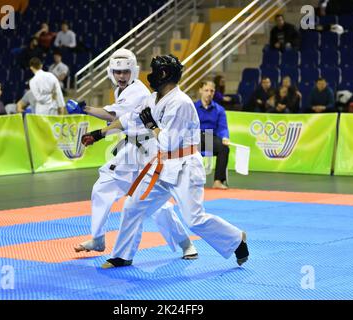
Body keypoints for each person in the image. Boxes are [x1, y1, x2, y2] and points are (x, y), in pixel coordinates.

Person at [81, 54, 249, 269]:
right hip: (161, 165)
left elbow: (169, 141)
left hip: (185, 166)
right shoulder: (153, 98)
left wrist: (151, 125)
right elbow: (130, 118)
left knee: (194, 219)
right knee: (133, 206)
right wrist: (99, 134)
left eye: (155, 71)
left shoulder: (181, 103)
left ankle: (237, 239)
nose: (150, 76)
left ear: (164, 74)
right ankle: (122, 255)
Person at [68, 49, 198, 259]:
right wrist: (99, 134)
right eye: (117, 72)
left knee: (155, 205)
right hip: (131, 149)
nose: (121, 76)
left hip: (147, 151)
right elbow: (125, 120)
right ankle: (99, 238)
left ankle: (185, 244)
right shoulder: (122, 91)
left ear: (134, 72)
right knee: (104, 186)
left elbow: (113, 115)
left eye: (126, 72)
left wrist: (86, 108)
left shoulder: (137, 91)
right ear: (111, 72)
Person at [194, 81, 230, 189]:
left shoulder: (219, 109)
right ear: (200, 90)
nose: (209, 93)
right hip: (197, 136)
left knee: (224, 148)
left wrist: (225, 137)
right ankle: (191, 180)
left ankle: (218, 181)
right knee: (188, 148)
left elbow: (223, 127)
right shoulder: (193, 107)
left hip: (211, 137)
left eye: (212, 91)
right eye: (206, 90)